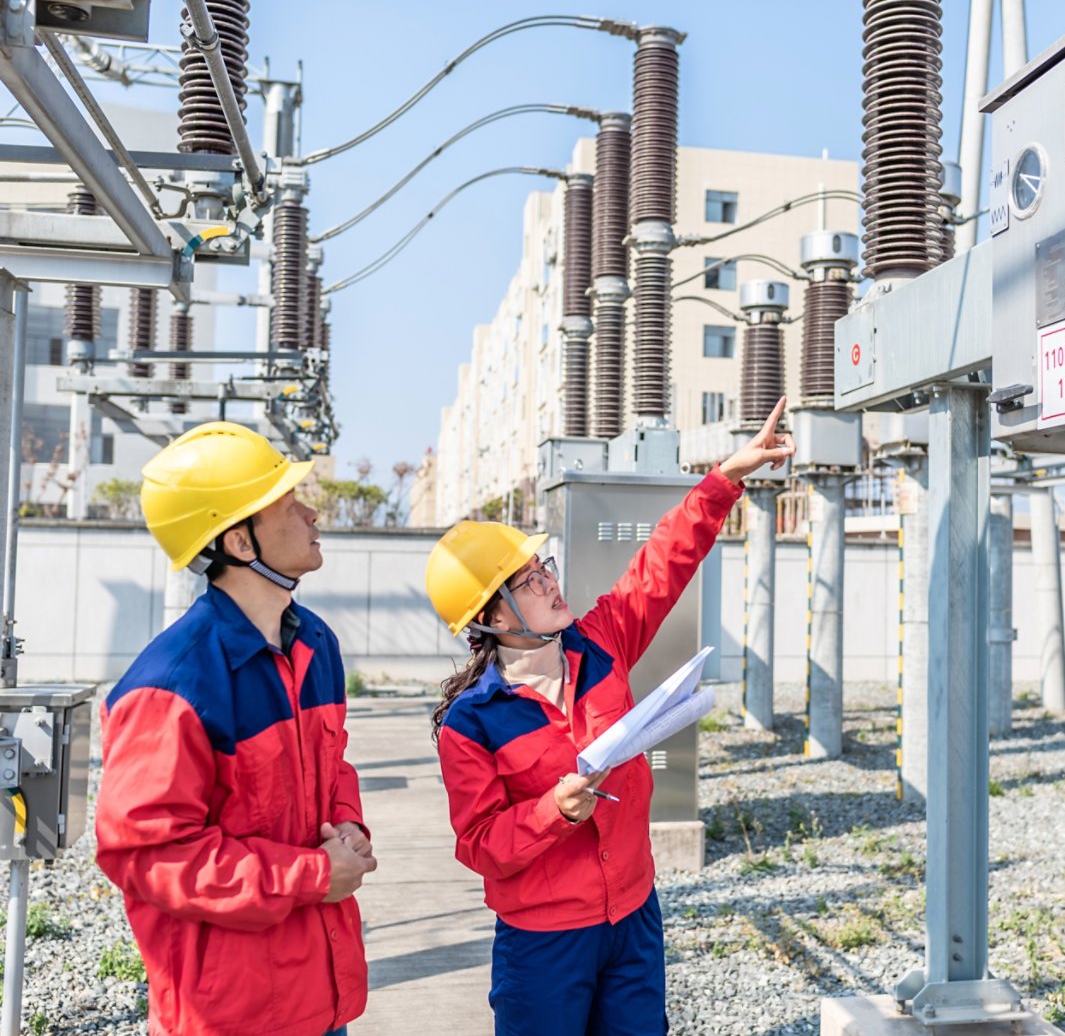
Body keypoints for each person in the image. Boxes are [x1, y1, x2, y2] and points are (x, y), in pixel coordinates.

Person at [427, 397, 795, 1036]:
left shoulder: (600, 643)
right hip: (543, 943)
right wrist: (554, 813)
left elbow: (661, 565)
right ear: (492, 617)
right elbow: (479, 843)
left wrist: (726, 478)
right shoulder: (472, 722)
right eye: (527, 579)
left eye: (542, 566)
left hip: (632, 917)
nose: (548, 580)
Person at [95, 422, 377, 1036]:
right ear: (241, 542)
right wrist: (315, 875)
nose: (311, 512)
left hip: (319, 994)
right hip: (231, 1012)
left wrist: (348, 824)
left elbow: (332, 767)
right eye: (288, 502)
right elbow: (148, 854)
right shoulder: (171, 684)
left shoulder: (315, 644)